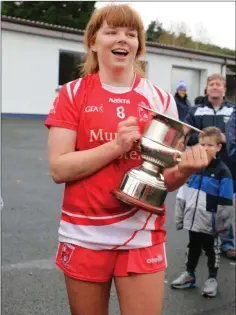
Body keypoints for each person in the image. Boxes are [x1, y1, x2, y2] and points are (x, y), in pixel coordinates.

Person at [44, 4, 211, 315]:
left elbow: (163, 181)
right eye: (112, 32)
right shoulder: (72, 93)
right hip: (83, 233)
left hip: (142, 234)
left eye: (131, 34)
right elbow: (59, 167)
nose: (122, 39)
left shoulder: (160, 100)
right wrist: (116, 146)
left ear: (138, 46)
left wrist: (185, 170)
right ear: (93, 42)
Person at [171, 127, 234, 297]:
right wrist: (180, 217)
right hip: (193, 220)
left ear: (218, 147)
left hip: (210, 223)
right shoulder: (193, 168)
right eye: (202, 144)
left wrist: (222, 226)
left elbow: (226, 202)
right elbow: (182, 194)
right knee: (192, 247)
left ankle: (212, 279)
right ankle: (189, 275)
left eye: (210, 145)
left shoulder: (223, 172)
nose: (205, 148)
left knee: (211, 250)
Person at [185, 73, 236, 260]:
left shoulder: (233, 110)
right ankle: (198, 244)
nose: (215, 87)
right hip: (201, 167)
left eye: (219, 84)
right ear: (207, 88)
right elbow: (186, 135)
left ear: (224, 88)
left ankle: (227, 244)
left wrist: (226, 138)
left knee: (223, 204)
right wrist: (203, 141)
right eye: (212, 84)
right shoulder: (195, 111)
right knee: (199, 205)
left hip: (227, 168)